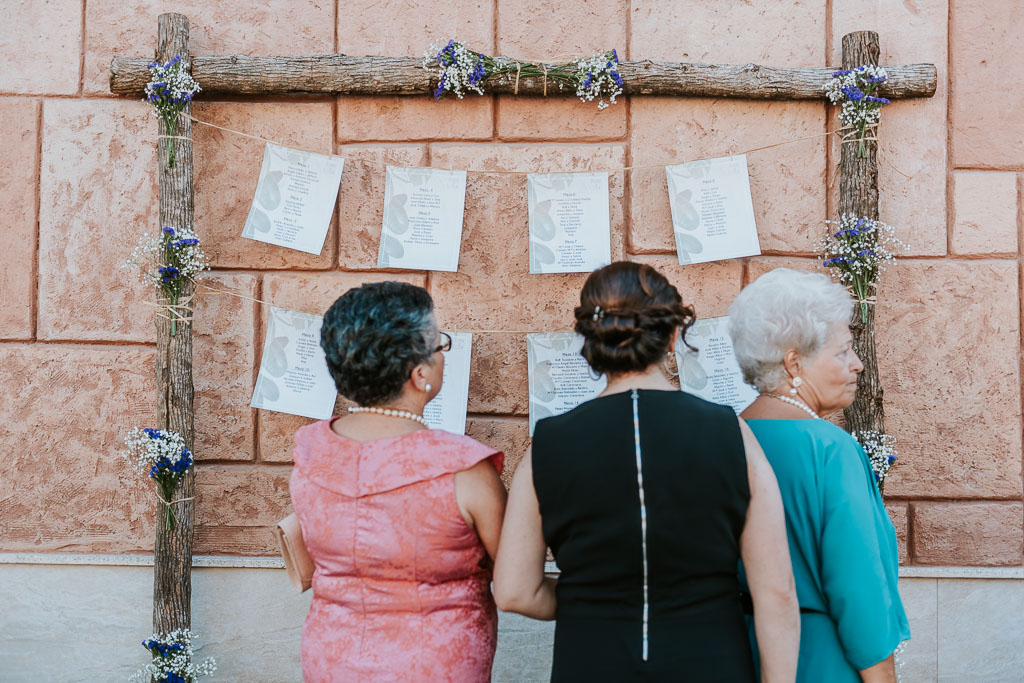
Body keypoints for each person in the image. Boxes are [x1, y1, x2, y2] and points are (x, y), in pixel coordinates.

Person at [494, 261, 800, 682]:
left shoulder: (546, 444)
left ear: (592, 339)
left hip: (589, 664)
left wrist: (593, 598)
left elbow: (513, 591)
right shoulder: (733, 434)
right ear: (673, 336)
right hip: (711, 663)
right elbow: (777, 591)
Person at [289, 281, 507, 682]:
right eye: (439, 345)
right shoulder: (463, 468)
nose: (443, 355)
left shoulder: (309, 450)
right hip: (435, 665)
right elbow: (508, 569)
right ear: (420, 373)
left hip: (330, 657)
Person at [728, 268, 910, 683]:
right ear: (794, 361)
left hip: (735, 651)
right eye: (843, 351)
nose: (858, 365)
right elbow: (858, 589)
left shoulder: (721, 439)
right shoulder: (830, 449)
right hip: (818, 660)